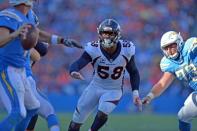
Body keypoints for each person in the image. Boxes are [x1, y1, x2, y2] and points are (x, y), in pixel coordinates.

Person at [0, 0, 82, 130]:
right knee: (19, 112)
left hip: (20, 70)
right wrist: (15, 34)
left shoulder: (27, 16)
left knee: (33, 107)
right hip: (7, 69)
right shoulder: (8, 15)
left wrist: (62, 40)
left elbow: (38, 33)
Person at [68, 19, 142, 131]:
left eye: (110, 33)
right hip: (94, 87)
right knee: (75, 123)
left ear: (117, 34)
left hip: (114, 90)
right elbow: (79, 62)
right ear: (99, 34)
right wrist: (73, 70)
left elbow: (133, 71)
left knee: (103, 110)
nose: (107, 36)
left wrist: (135, 92)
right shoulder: (93, 48)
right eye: (104, 33)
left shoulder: (127, 49)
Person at [142, 31, 197, 131]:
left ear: (179, 42)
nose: (170, 50)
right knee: (183, 116)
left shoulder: (191, 47)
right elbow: (162, 83)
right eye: (166, 48)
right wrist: (150, 96)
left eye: (172, 46)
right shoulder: (169, 64)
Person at [25, 42, 60, 131]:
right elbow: (37, 55)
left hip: (9, 81)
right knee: (49, 111)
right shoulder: (29, 49)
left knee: (28, 111)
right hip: (24, 80)